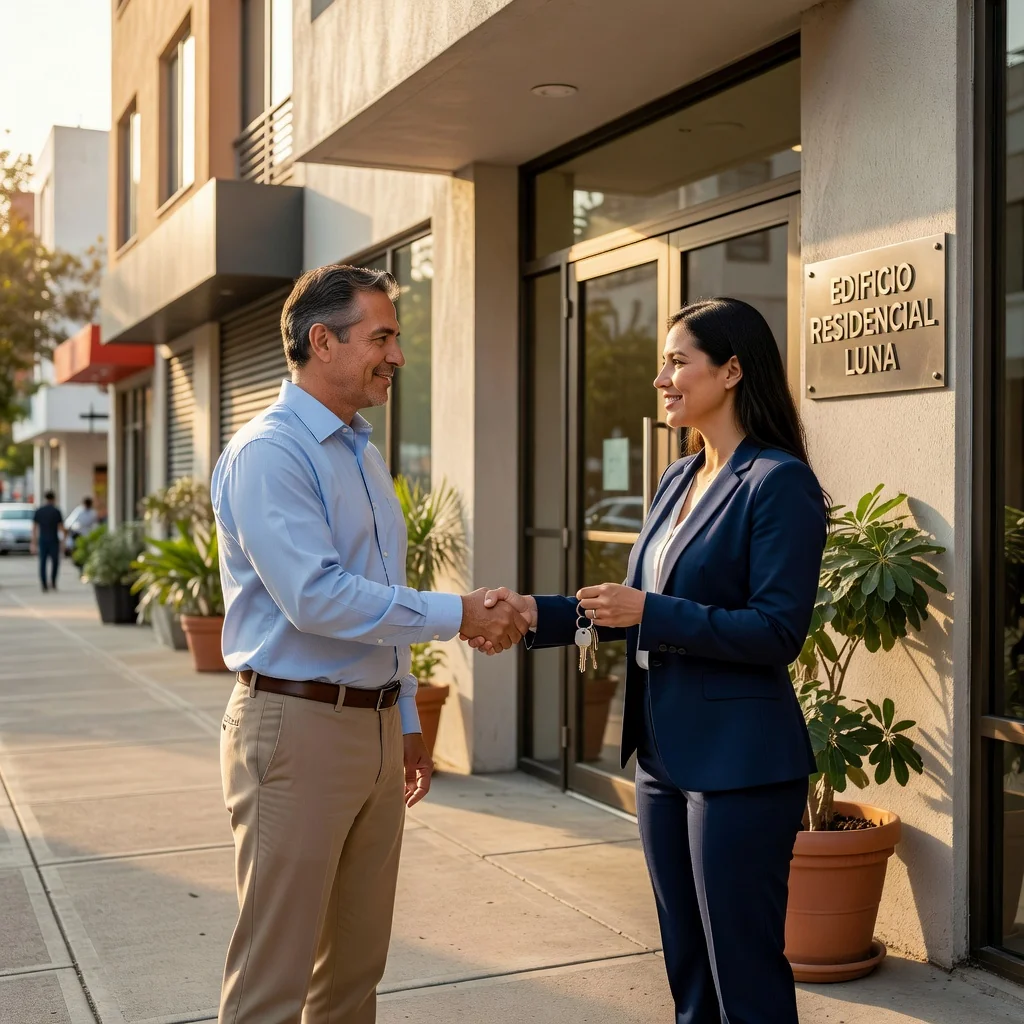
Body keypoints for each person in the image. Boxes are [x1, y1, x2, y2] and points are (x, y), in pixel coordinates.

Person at [473, 298, 829, 1024]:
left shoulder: (777, 481)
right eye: (662, 363)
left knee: (743, 967)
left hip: (742, 766)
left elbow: (775, 630)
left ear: (731, 370)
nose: (661, 379)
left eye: (677, 361)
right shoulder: (677, 479)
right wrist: (537, 614)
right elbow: (634, 602)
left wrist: (651, 614)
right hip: (663, 760)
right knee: (687, 963)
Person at [212, 264, 528, 1024]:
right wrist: (460, 613)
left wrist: (409, 722)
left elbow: (378, 592)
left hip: (375, 726)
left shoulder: (359, 448)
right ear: (322, 341)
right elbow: (318, 598)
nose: (397, 355)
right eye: (381, 336)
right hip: (296, 730)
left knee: (354, 974)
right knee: (273, 978)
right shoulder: (270, 454)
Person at [31, 491, 65, 593]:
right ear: (54, 499)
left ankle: (44, 584)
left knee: (43, 563)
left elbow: (34, 528)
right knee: (55, 562)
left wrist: (33, 542)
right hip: (53, 539)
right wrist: (63, 542)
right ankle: (53, 582)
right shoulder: (56, 511)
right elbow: (61, 528)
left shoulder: (39, 511)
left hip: (43, 539)